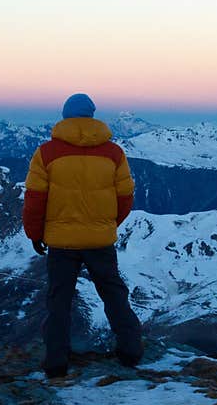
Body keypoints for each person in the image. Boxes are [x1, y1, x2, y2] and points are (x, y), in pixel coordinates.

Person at [22, 93, 144, 378]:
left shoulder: (47, 152)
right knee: (114, 295)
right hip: (100, 241)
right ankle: (130, 350)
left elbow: (35, 198)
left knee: (59, 300)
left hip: (61, 243)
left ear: (65, 116)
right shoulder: (114, 153)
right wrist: (107, 223)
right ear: (92, 116)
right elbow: (125, 196)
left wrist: (35, 233)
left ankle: (55, 362)